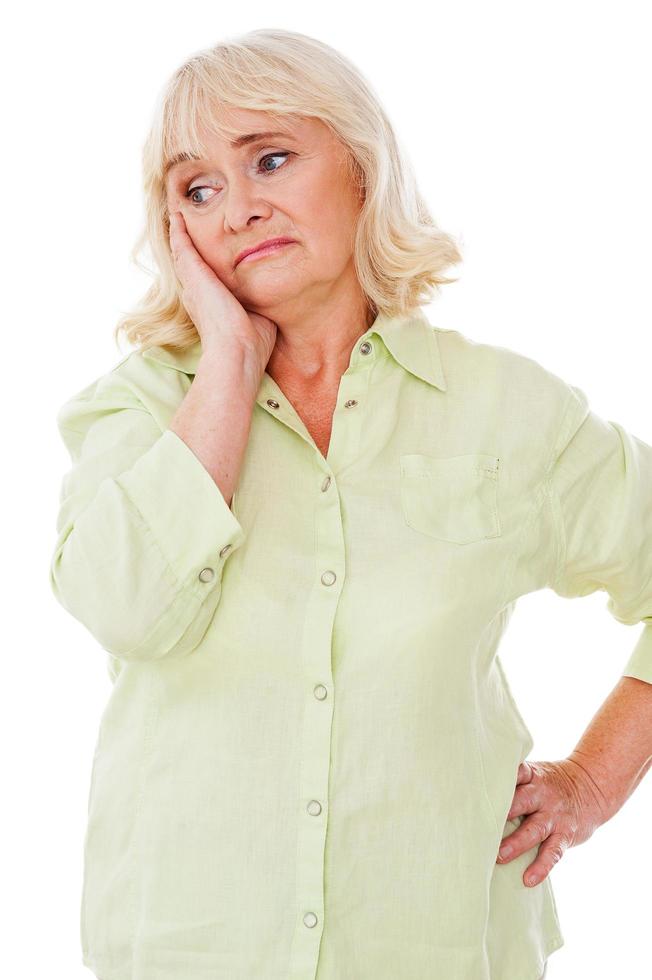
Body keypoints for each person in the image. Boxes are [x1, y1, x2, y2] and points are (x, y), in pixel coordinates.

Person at [49, 28, 652, 980]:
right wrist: (230, 364)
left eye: (271, 160)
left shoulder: (510, 410)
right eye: (198, 189)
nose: (240, 209)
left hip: (439, 944)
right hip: (188, 950)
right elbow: (125, 608)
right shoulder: (140, 407)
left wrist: (594, 781)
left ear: (363, 168)